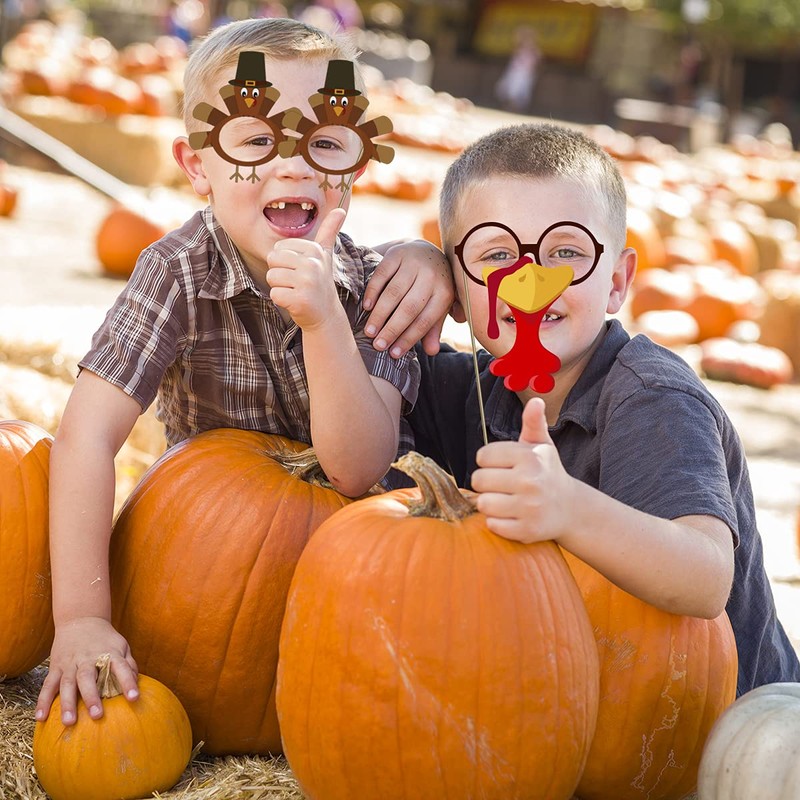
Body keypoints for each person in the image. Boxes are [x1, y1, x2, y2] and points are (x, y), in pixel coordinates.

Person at [35, 17, 453, 725]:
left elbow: (357, 469)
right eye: (256, 140)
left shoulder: (376, 290)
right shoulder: (176, 270)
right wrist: (81, 618)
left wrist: (324, 320)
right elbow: (87, 437)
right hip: (208, 568)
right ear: (198, 165)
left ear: (356, 162)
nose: (293, 165)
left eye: (325, 141)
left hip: (350, 585)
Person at [396, 122, 800, 696]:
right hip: (568, 704)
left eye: (566, 251)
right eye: (495, 254)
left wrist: (567, 508)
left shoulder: (651, 396)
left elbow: (706, 576)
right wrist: (410, 263)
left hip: (720, 725)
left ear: (616, 282)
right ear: (458, 292)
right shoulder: (467, 389)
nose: (531, 278)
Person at [495, 26, 541, 114]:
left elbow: (537, 63)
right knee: (508, 90)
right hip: (514, 72)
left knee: (519, 93)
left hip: (525, 74)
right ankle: (507, 108)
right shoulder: (518, 49)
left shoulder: (535, 51)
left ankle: (514, 109)